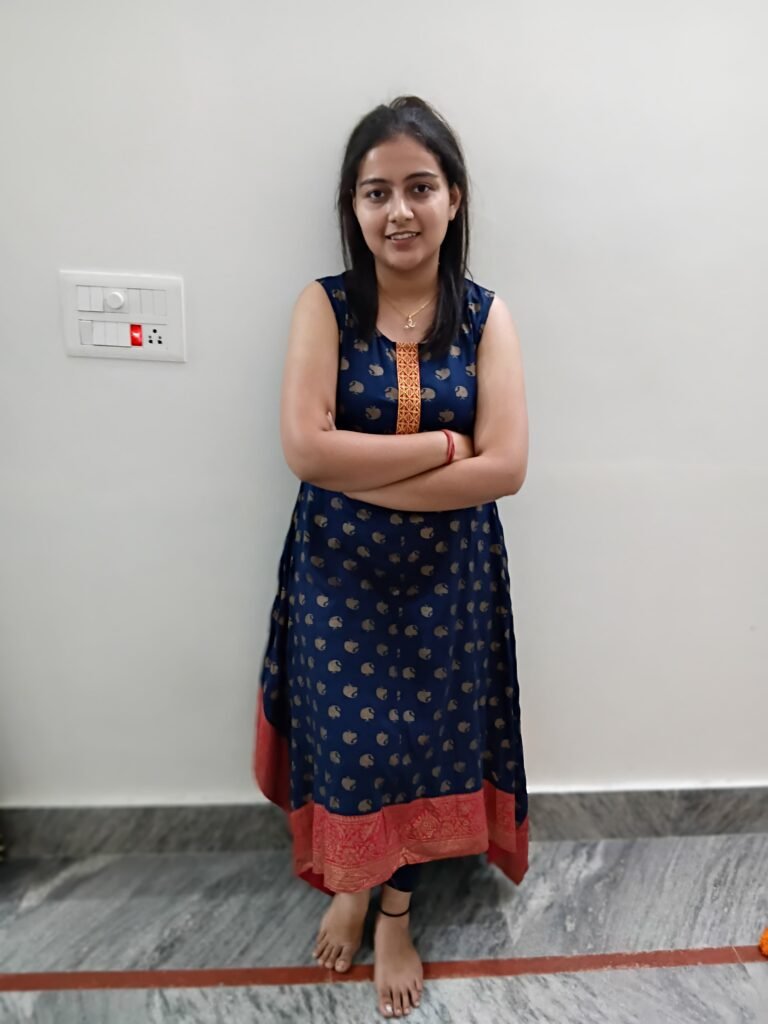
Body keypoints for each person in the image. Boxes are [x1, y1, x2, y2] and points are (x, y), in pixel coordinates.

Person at [254, 95, 530, 1019]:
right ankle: (351, 880)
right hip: (338, 579)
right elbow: (303, 448)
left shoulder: (487, 317)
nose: (399, 211)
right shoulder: (324, 306)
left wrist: (358, 468)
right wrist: (445, 449)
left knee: (425, 745)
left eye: (420, 187)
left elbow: (510, 468)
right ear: (353, 205)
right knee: (350, 746)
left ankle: (395, 913)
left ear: (454, 199)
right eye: (377, 192)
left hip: (450, 584)